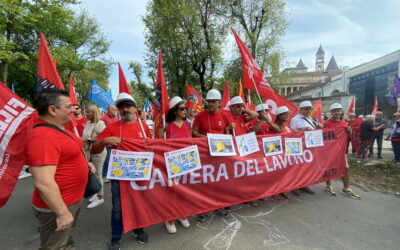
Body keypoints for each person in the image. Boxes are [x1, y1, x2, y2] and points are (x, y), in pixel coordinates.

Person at [26, 88, 95, 249]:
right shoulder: (42, 137)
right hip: (57, 207)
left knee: (65, 239)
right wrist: (62, 213)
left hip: (71, 200)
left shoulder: (60, 129)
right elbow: (43, 182)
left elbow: (71, 149)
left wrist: (86, 164)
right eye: (69, 106)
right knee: (54, 245)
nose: (74, 110)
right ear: (52, 110)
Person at [92, 93, 151, 250]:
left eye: (128, 105)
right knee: (117, 207)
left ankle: (138, 230)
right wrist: (104, 141)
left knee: (139, 203)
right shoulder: (111, 127)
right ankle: (116, 236)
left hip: (139, 173)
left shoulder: (143, 127)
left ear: (134, 107)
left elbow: (151, 148)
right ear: (118, 109)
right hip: (119, 176)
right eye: (121, 106)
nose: (125, 109)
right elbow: (94, 149)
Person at [192, 89, 231, 220]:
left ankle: (218, 205)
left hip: (220, 154)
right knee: (204, 181)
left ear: (219, 102)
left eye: (213, 102)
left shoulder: (224, 115)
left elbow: (227, 133)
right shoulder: (200, 115)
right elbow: (194, 132)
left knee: (218, 181)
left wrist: (226, 144)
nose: (210, 104)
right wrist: (204, 137)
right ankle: (202, 208)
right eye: (208, 102)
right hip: (204, 154)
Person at [163, 96, 191, 233]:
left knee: (184, 191)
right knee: (172, 192)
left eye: (185, 108)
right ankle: (169, 218)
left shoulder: (188, 124)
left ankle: (181, 214)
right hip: (172, 164)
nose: (185, 110)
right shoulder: (167, 126)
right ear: (174, 111)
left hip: (187, 162)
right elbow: (158, 144)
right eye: (182, 108)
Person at [323, 103, 361, 199]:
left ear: (341, 112)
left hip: (341, 151)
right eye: (334, 110)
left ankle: (346, 188)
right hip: (330, 151)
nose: (336, 112)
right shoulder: (326, 124)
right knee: (329, 168)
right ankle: (328, 186)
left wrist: (350, 131)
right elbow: (322, 137)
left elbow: (349, 136)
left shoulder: (344, 122)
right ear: (331, 112)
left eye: (338, 110)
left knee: (346, 168)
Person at [289, 100, 322, 195]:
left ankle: (303, 185)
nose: (308, 111)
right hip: (297, 146)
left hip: (309, 147)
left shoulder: (311, 119)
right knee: (296, 167)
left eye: (309, 109)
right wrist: (302, 129)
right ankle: (293, 186)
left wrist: (318, 128)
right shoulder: (295, 119)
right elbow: (291, 133)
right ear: (300, 110)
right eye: (305, 109)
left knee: (306, 167)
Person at [83, 105, 107, 209]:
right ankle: (96, 191)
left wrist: (89, 138)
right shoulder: (88, 123)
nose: (86, 113)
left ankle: (100, 196)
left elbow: (104, 137)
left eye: (88, 112)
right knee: (91, 172)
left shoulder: (100, 123)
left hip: (98, 151)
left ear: (94, 113)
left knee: (98, 174)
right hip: (88, 151)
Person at [101, 104, 120, 183]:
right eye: (113, 109)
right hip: (108, 143)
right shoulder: (103, 118)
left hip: (116, 143)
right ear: (108, 110)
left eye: (116, 109)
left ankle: (113, 173)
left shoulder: (116, 118)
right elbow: (102, 131)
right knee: (107, 160)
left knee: (114, 160)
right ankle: (104, 175)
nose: (115, 111)